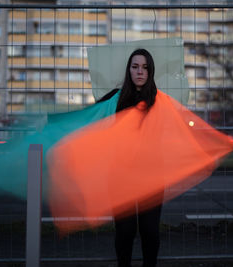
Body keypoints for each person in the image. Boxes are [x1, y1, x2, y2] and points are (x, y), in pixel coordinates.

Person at [98, 48, 161, 267]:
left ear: (150, 71)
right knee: (125, 230)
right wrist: (52, 122)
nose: (140, 72)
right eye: (135, 67)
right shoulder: (114, 100)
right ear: (129, 70)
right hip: (120, 177)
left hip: (151, 178)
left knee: (150, 231)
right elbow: (88, 118)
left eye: (145, 67)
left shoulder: (160, 102)